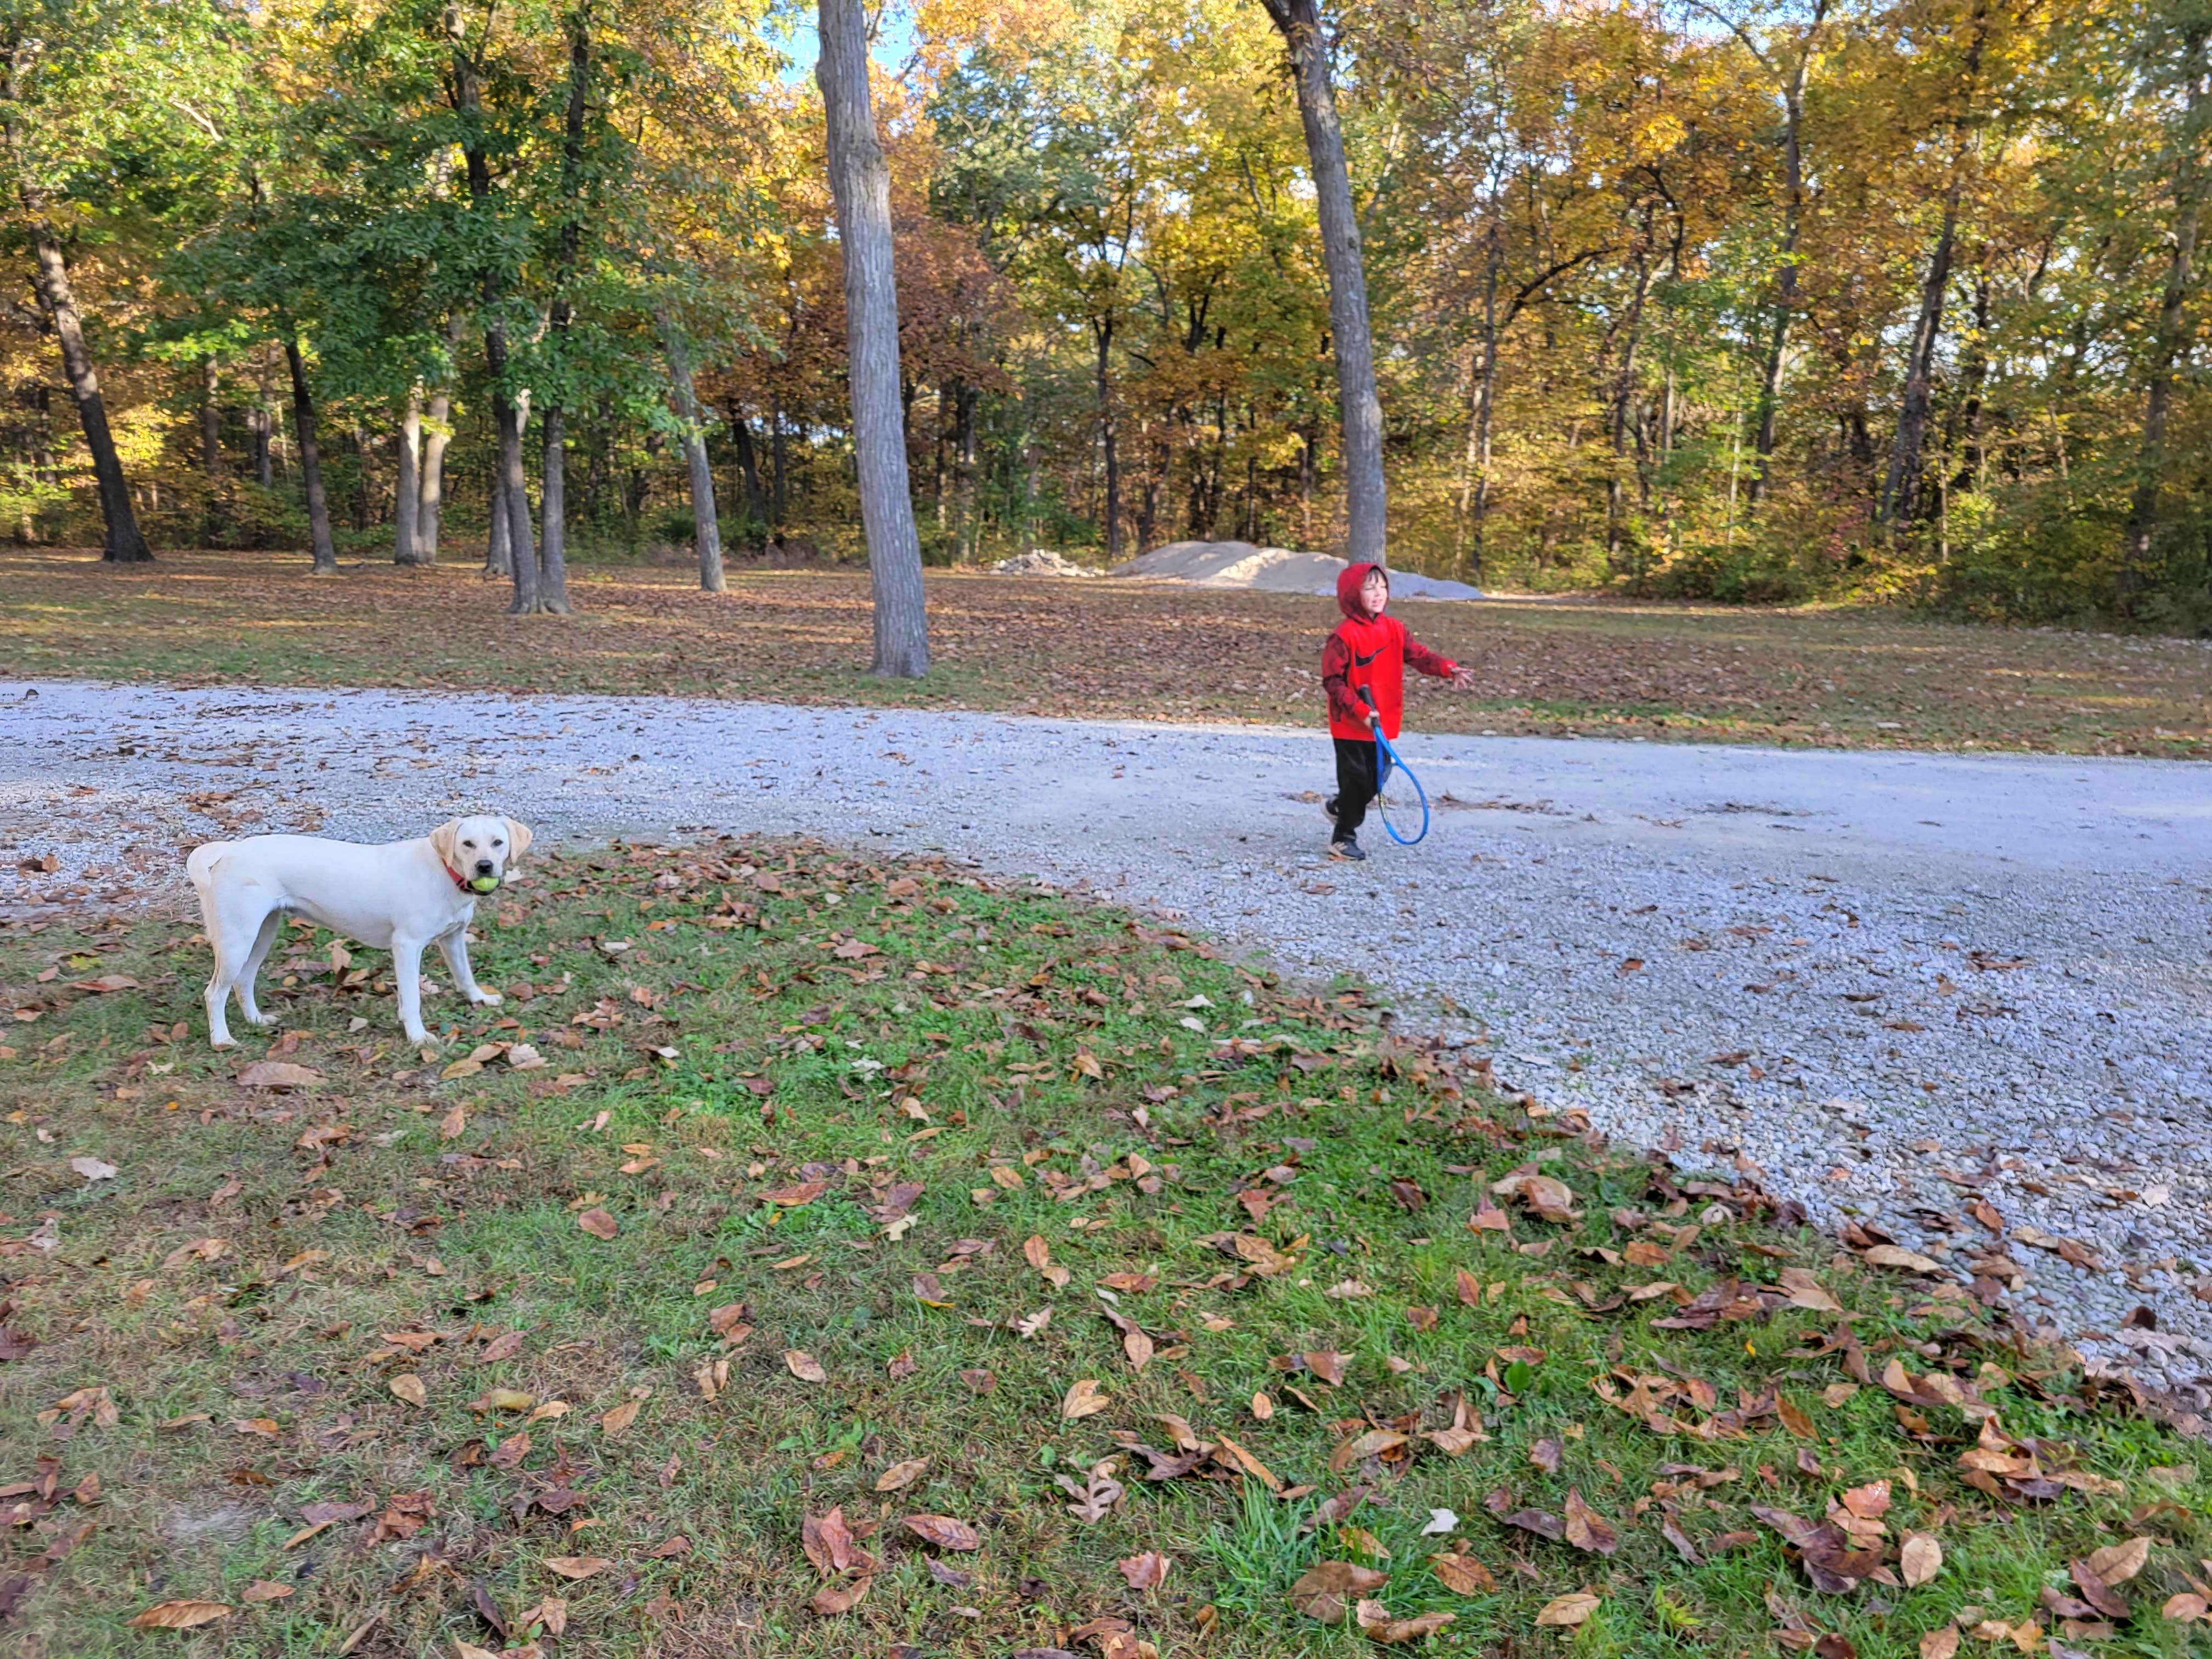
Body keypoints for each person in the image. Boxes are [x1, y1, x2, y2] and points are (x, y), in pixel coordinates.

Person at [1320, 562, 1474, 860]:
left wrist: (1448, 668)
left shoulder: (1394, 629)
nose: (1378, 593)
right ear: (1352, 594)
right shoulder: (1344, 635)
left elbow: (1419, 656)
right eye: (1369, 587)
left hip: (1382, 721)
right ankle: (1343, 838)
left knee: (1376, 779)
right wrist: (1360, 710)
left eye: (1382, 586)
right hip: (1351, 724)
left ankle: (1339, 807)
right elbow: (1332, 681)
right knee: (1356, 781)